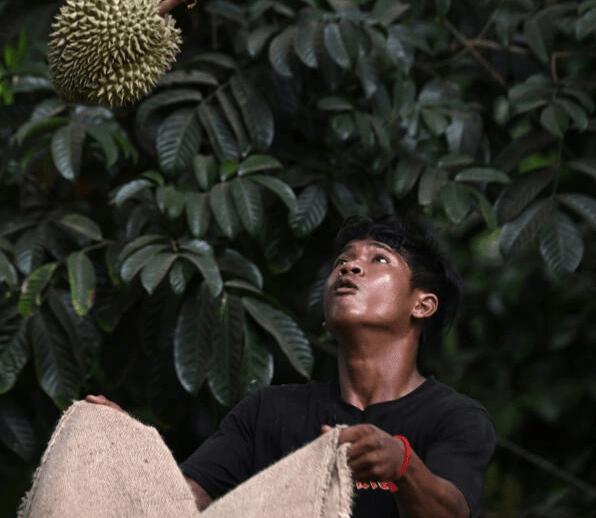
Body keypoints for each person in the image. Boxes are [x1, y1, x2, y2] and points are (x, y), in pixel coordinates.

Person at [88, 216, 495, 517]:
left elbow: (452, 513)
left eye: (379, 260)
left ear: (422, 304)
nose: (349, 268)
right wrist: (134, 452)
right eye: (343, 261)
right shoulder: (267, 411)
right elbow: (182, 504)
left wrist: (403, 464)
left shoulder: (455, 417)